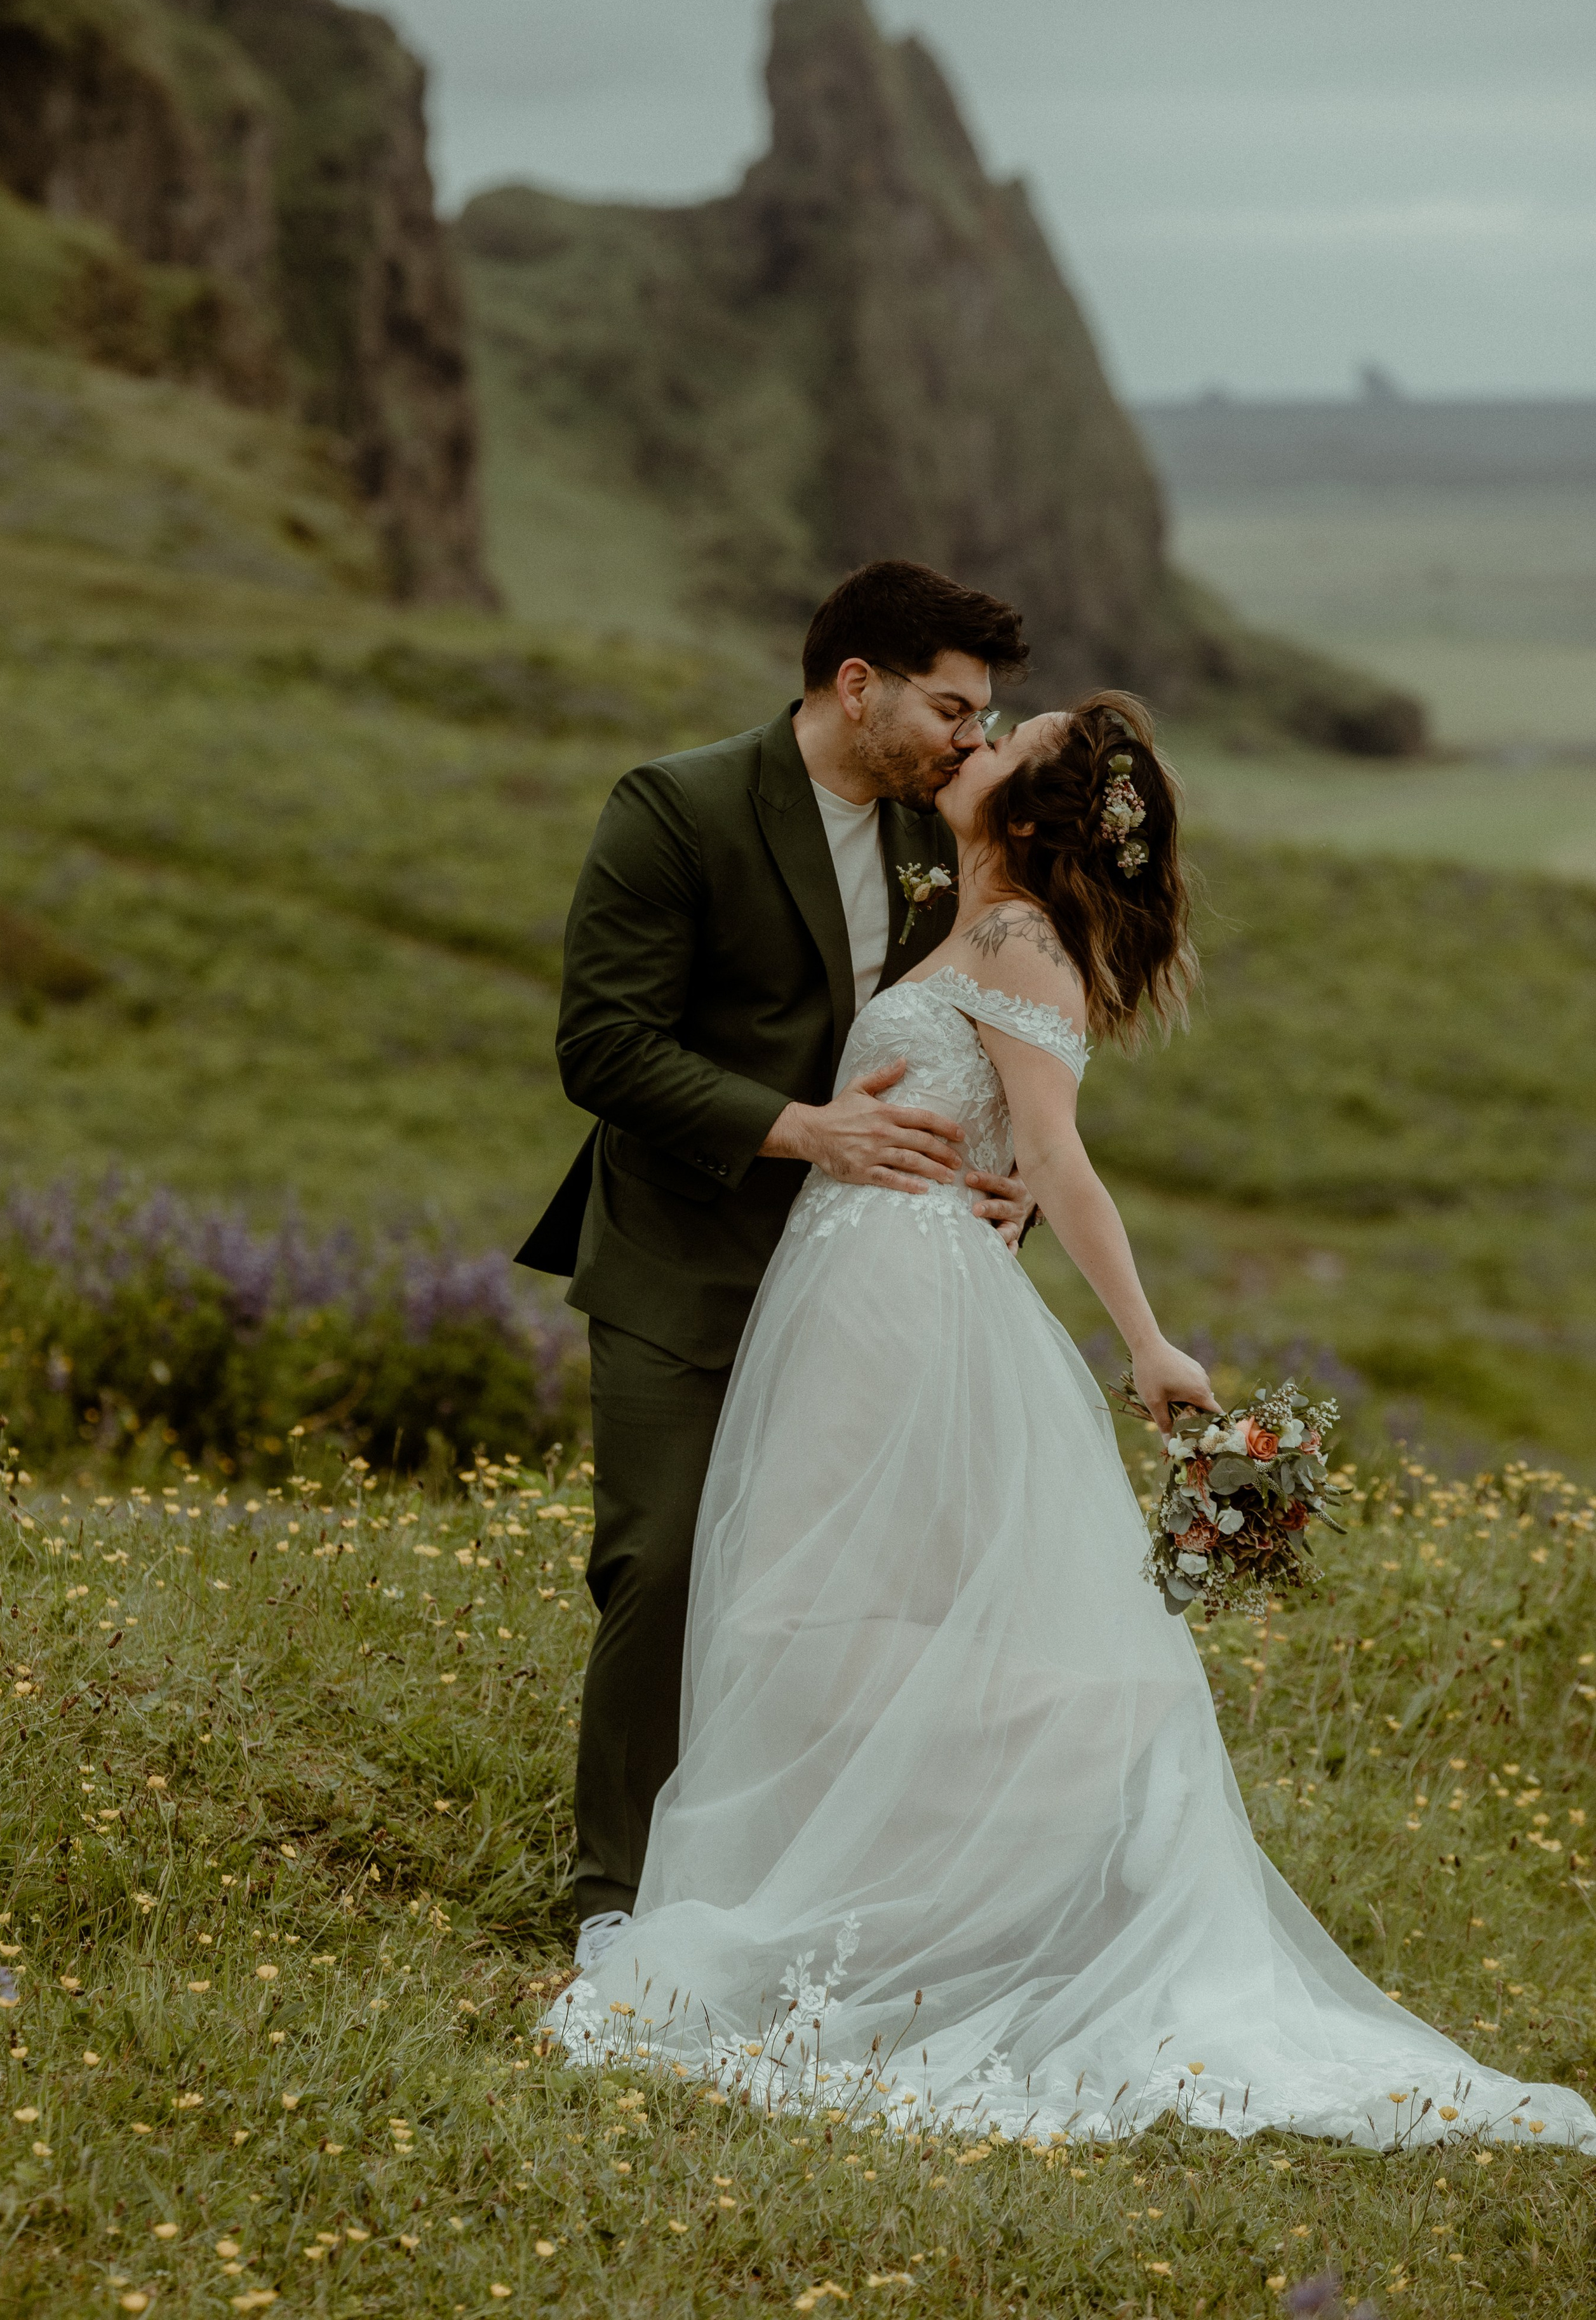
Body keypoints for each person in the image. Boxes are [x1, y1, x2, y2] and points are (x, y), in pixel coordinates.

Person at [551, 692, 1596, 2155]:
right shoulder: (966, 903)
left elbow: (1055, 1151)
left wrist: (1147, 1338)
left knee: (835, 1610)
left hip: (905, 1298)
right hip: (855, 1282)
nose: (966, 744)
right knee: (817, 1602)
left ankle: (958, 1896)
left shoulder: (1015, 937)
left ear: (1030, 812)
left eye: (1002, 738)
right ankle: (869, 1892)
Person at [517, 560, 1036, 1969]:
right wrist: (800, 1132)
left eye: (981, 718)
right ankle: (614, 1904)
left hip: (875, 1284)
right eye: (949, 707)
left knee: (855, 1585)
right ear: (852, 684)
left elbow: (979, 1035)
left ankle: (800, 1873)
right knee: (666, 1560)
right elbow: (601, 1047)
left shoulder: (943, 847)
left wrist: (1008, 1185)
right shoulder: (672, 808)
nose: (969, 743)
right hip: (688, 1261)